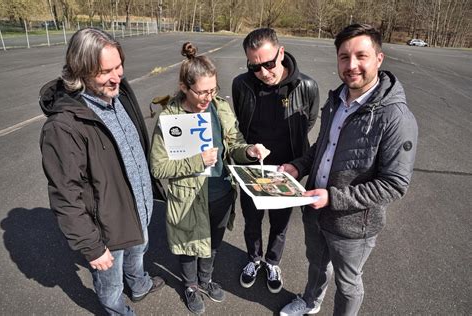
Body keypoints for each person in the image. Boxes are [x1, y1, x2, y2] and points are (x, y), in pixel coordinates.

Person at [279, 24, 418, 316]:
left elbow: (394, 184)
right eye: (344, 57)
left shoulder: (395, 117)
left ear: (379, 59)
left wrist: (333, 198)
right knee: (317, 264)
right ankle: (310, 302)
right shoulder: (337, 99)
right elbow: (321, 147)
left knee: (348, 283)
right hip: (315, 210)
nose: (351, 65)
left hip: (354, 225)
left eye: (361, 56)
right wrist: (298, 166)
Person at [39, 28, 166, 315]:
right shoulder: (64, 127)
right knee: (110, 285)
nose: (116, 76)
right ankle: (117, 310)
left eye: (119, 66)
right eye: (105, 71)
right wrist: (91, 247)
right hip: (108, 227)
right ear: (80, 71)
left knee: (139, 252)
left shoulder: (119, 92)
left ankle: (139, 284)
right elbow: (65, 195)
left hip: (139, 208)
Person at [150, 42, 270, 314]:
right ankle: (190, 285)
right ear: (184, 87)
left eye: (213, 90)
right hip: (188, 197)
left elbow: (235, 145)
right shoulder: (171, 118)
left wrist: (249, 151)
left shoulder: (219, 108)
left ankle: (206, 279)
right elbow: (158, 167)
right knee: (188, 245)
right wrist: (197, 161)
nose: (208, 97)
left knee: (214, 242)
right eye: (202, 92)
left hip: (221, 194)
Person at [231, 27, 320, 293]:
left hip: (287, 169)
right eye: (255, 66)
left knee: (280, 223)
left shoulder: (307, 86)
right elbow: (240, 125)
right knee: (252, 220)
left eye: (269, 63)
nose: (263, 72)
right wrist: (248, 150)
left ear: (281, 53)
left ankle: (272, 261)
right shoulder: (241, 84)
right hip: (252, 168)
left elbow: (309, 123)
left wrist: (296, 163)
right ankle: (254, 258)